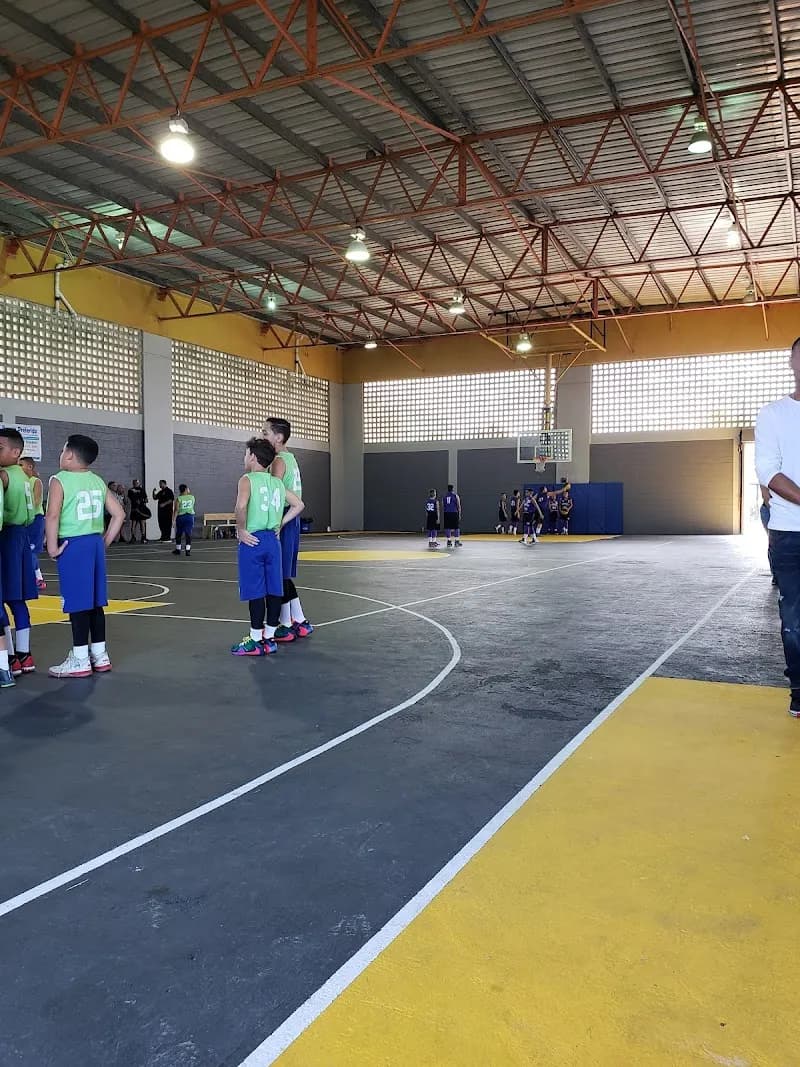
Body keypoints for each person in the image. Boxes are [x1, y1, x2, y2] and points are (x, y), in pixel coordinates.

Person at [45, 434, 124, 678]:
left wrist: (51, 546)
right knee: (95, 603)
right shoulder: (97, 481)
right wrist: (105, 542)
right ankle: (100, 655)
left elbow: (52, 515)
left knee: (77, 603)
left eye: (62, 449)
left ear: (69, 454)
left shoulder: (60, 480)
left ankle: (79, 658)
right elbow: (119, 514)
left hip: (73, 545)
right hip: (94, 544)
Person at [755, 335, 800, 716]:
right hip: (791, 534)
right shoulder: (772, 415)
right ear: (791, 362)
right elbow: (769, 471)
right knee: (794, 619)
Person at [231, 437, 304, 657]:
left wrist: (241, 529)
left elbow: (241, 506)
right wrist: (281, 523)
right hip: (273, 541)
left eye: (246, 454)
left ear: (253, 457)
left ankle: (255, 639)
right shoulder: (277, 482)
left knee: (255, 590)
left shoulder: (247, 479)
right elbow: (299, 504)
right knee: (274, 588)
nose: (244, 458)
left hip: (253, 540)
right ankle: (270, 638)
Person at [263, 417, 314, 641]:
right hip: (290, 519)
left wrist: (275, 522)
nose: (263, 436)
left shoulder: (279, 461)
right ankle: (298, 620)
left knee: (279, 575)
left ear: (278, 437)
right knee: (282, 575)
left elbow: (276, 493)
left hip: (284, 517)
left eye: (266, 432)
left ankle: (289, 622)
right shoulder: (291, 458)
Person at [0, 428, 38, 677]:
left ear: (16, 452)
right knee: (19, 599)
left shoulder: (4, 476)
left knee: (1, 596)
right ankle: (24, 654)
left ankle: (9, 658)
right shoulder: (27, 477)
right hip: (23, 538)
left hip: (7, 536)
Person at [20, 455, 46, 590]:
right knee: (24, 551)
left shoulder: (36, 481)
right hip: (24, 520)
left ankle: (38, 578)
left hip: (35, 519)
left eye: (21, 465)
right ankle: (35, 576)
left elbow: (35, 502)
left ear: (29, 466)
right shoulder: (21, 481)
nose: (19, 468)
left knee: (31, 550)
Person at [172, 484, 195, 557]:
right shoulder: (192, 497)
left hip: (181, 517)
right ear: (185, 489)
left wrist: (173, 520)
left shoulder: (179, 498)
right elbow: (192, 505)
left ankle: (178, 549)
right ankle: (188, 550)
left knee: (179, 533)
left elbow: (176, 510)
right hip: (189, 517)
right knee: (188, 533)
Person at [443, 484, 462, 549]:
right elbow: (459, 506)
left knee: (447, 527)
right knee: (456, 527)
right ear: (452, 489)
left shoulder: (445, 496)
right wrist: (459, 514)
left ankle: (449, 541)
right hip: (454, 513)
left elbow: (444, 505)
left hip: (446, 513)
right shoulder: (455, 496)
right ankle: (457, 541)